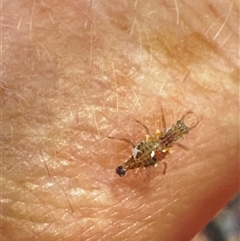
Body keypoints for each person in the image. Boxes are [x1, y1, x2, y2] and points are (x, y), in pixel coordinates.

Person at [3, 0, 239, 240]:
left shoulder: (162, 142)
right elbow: (152, 140)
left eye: (180, 129)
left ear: (175, 132)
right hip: (153, 150)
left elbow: (150, 137)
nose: (177, 128)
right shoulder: (165, 144)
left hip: (153, 149)